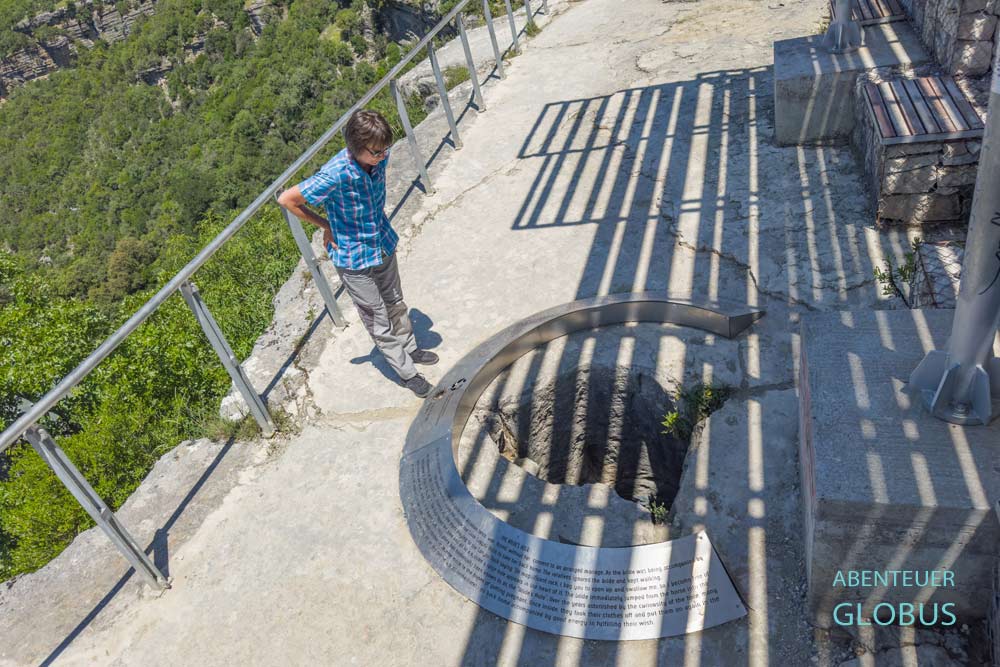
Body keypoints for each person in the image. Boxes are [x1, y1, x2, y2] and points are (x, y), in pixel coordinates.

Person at [278, 109, 438, 397]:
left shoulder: (380, 157)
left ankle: (410, 348)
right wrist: (325, 225)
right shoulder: (336, 174)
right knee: (377, 316)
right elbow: (287, 199)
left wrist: (379, 154)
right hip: (352, 256)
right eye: (376, 152)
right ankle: (407, 372)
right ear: (355, 147)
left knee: (395, 301)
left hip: (381, 242)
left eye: (385, 149)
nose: (383, 156)